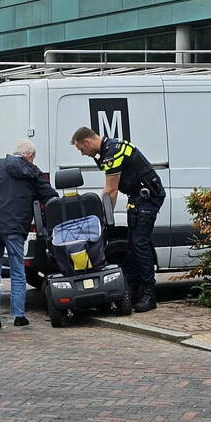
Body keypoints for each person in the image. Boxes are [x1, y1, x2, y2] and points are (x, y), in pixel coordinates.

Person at [71, 127, 164, 313]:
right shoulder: (108, 149)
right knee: (132, 246)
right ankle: (135, 290)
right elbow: (109, 190)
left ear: (88, 142)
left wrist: (103, 218)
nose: (83, 154)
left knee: (140, 244)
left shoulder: (112, 152)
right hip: (138, 199)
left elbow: (111, 190)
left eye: (81, 149)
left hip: (147, 198)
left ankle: (148, 294)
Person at [0, 140, 57, 328]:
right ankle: (19, 316)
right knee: (18, 271)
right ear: (29, 156)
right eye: (33, 158)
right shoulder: (32, 172)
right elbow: (50, 196)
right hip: (16, 229)